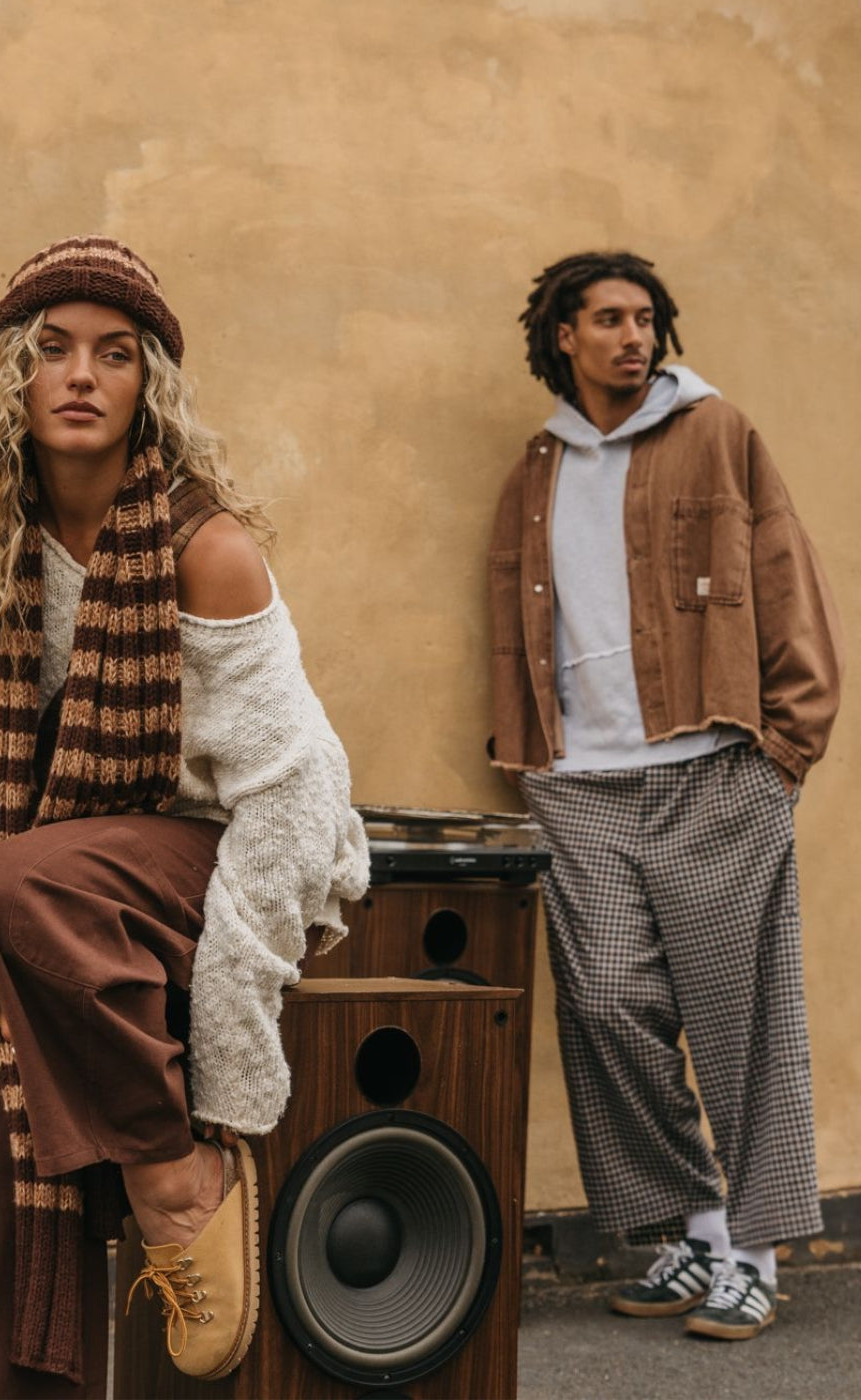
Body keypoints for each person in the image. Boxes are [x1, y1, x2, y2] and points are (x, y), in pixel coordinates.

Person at [0, 235, 368, 1399]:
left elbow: (293, 801)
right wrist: (14, 1001)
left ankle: (171, 1180)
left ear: (148, 382)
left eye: (114, 353)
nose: (79, 374)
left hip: (213, 866)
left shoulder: (208, 550)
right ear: (15, 371)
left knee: (23, 881)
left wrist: (225, 1069)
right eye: (53, 348)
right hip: (40, 915)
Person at [488, 251, 842, 1341]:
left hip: (712, 772)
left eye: (644, 318)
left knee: (741, 1021)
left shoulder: (717, 431)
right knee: (603, 1006)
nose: (632, 337)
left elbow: (785, 579)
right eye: (608, 319)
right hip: (581, 789)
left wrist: (785, 748)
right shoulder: (538, 468)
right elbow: (514, 621)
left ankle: (756, 1258)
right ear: (563, 336)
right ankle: (698, 1227)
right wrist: (529, 762)